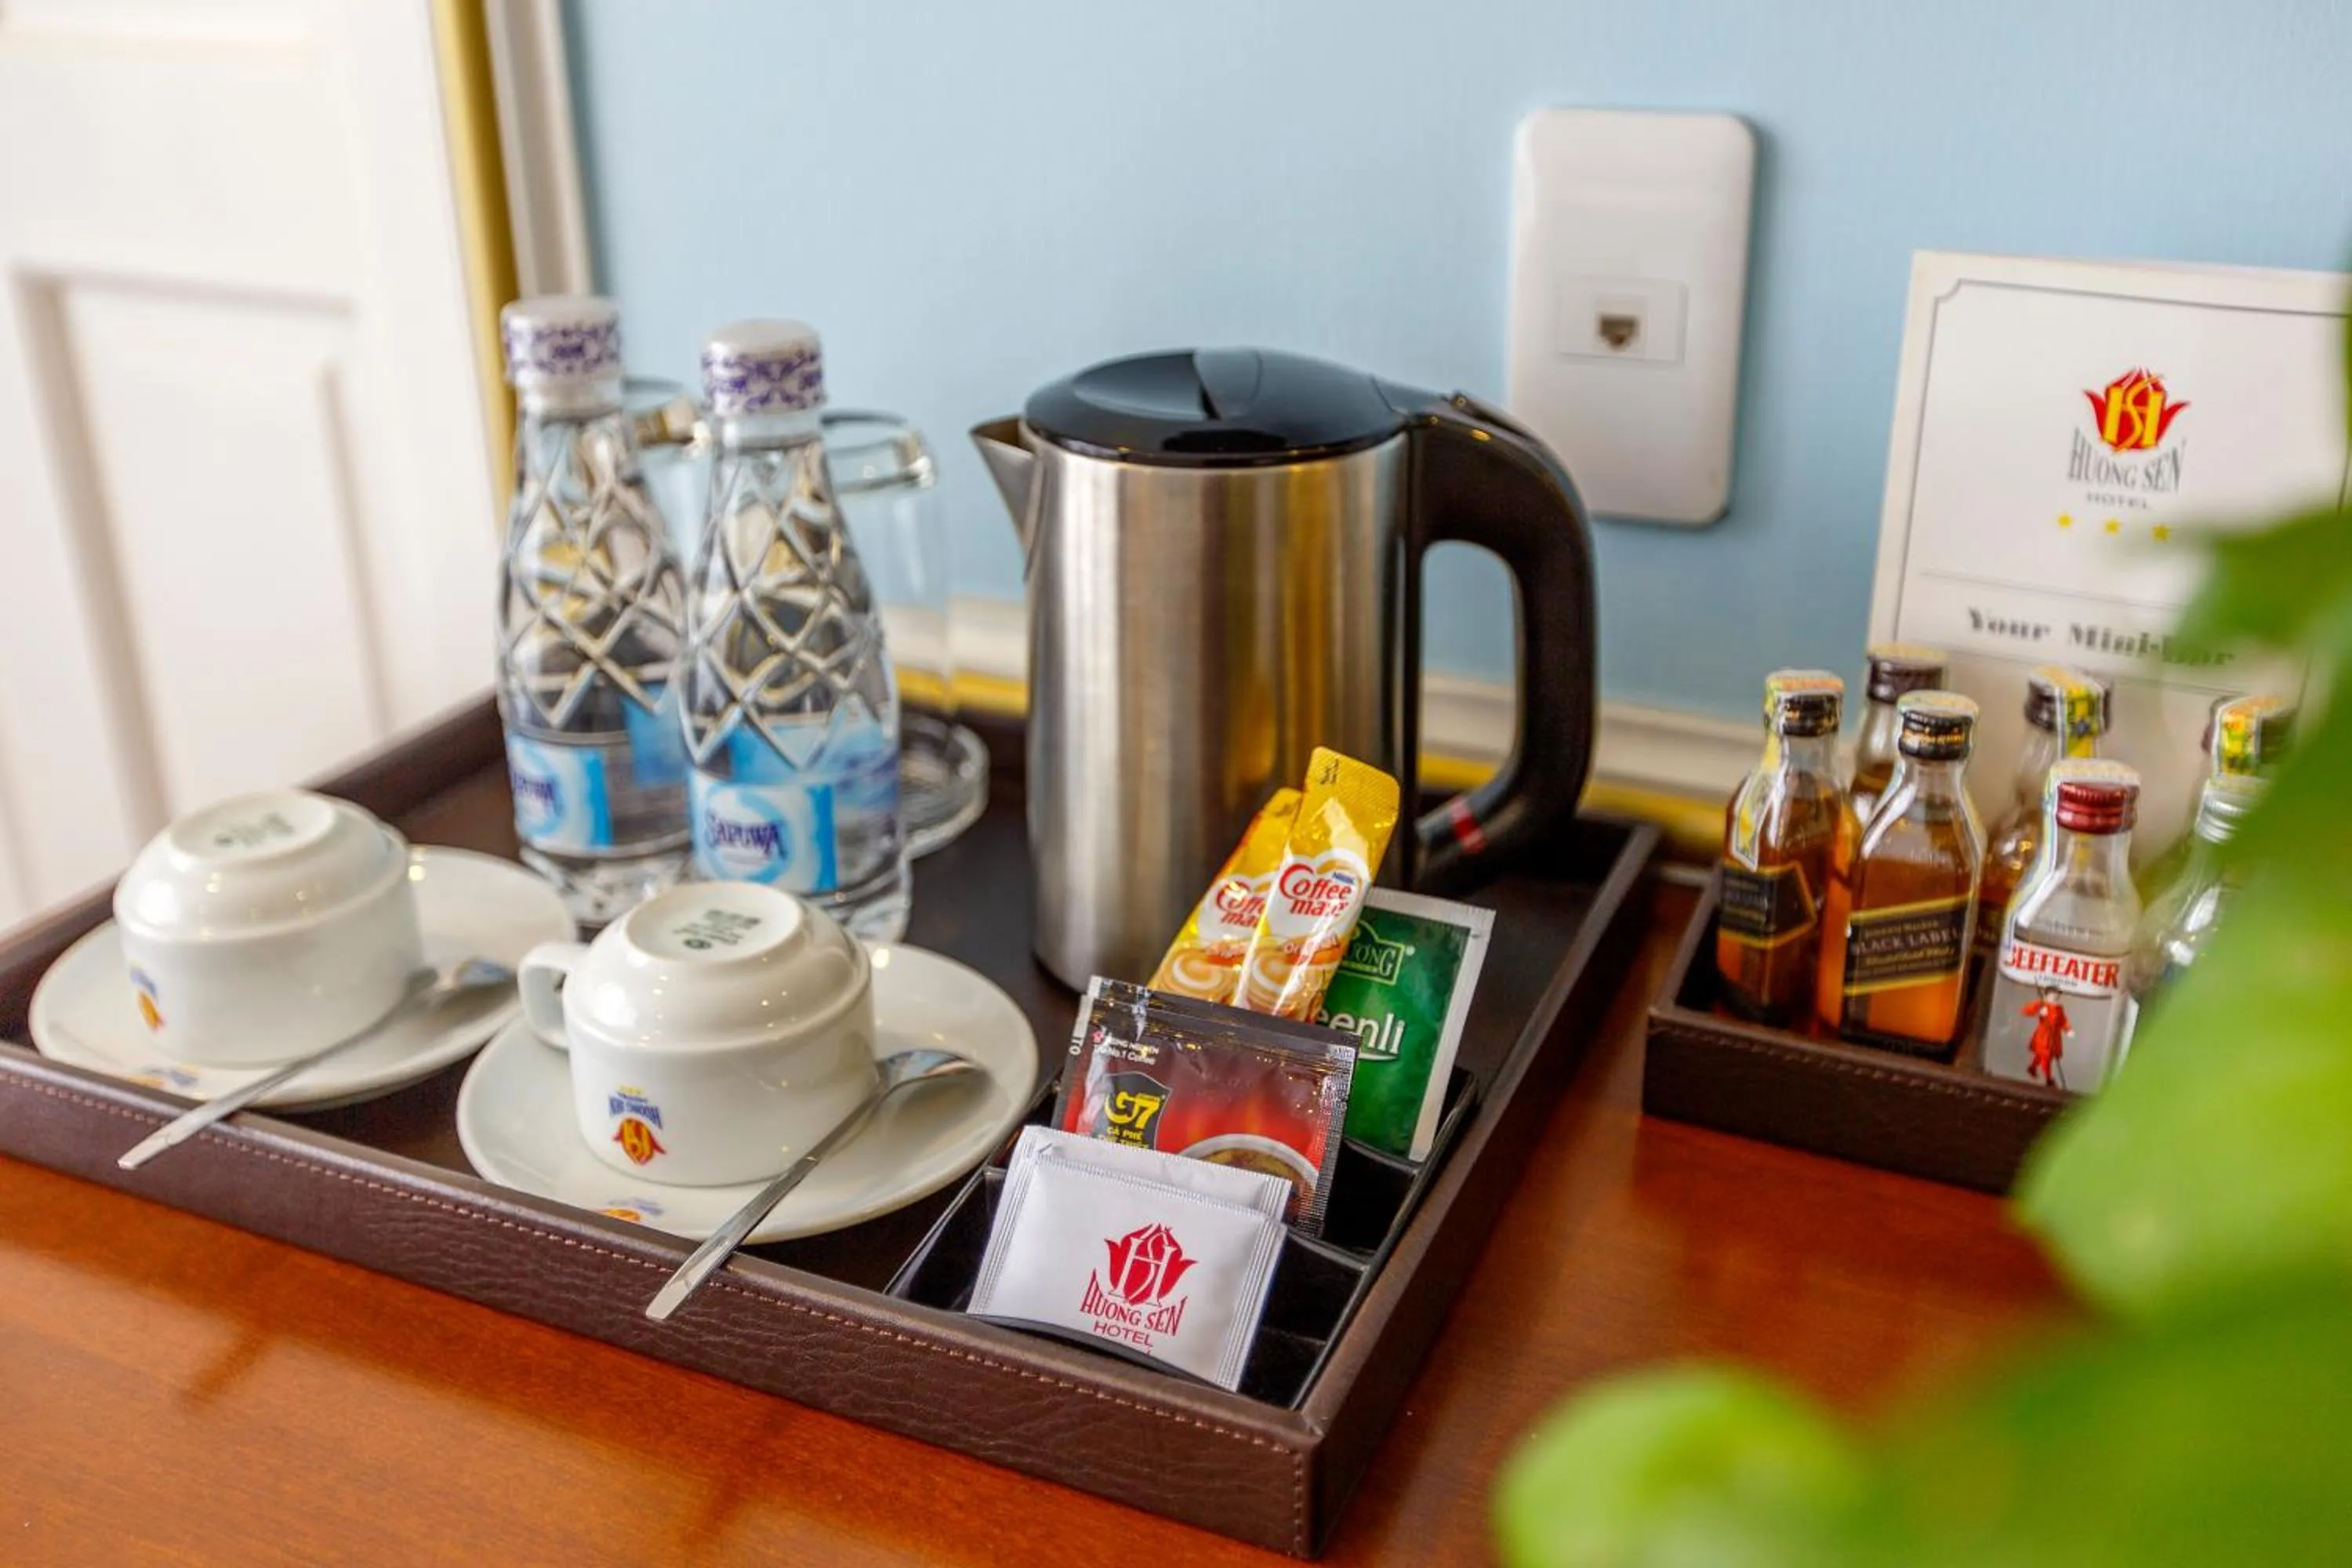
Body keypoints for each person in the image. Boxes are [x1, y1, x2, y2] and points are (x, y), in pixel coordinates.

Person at [2021, 985, 2071, 1090]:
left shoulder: (2059, 1008)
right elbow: (2025, 1010)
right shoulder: (2041, 1004)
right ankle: (2049, 1079)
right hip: (2043, 1034)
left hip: (2054, 1036)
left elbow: (2063, 1021)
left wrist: (2068, 1029)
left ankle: (2033, 1068)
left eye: (2058, 994)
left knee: (2044, 1055)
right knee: (2045, 1056)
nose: (2056, 996)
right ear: (2048, 995)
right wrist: (2039, 1012)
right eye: (2054, 994)